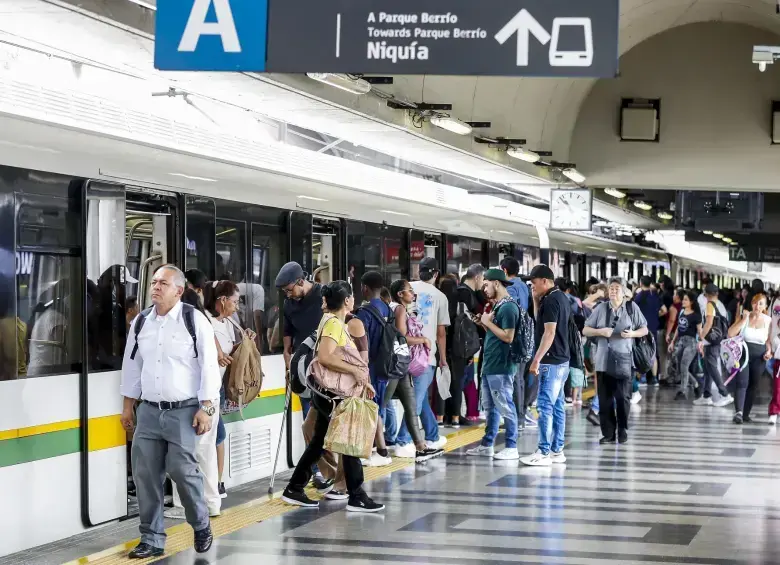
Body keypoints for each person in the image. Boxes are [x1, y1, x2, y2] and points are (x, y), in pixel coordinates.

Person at [120, 265, 220, 558]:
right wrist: (128, 406)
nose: (155, 287)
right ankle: (151, 538)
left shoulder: (194, 320)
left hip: (184, 410)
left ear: (178, 290)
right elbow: (132, 366)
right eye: (154, 282)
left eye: (162, 283)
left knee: (181, 469)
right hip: (149, 412)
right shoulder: (141, 322)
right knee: (145, 474)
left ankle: (200, 523)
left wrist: (206, 408)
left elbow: (209, 366)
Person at [280, 281, 384, 513]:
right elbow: (325, 357)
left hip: (328, 393)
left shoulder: (331, 321)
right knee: (348, 440)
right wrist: (355, 371)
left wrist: (361, 379)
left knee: (319, 442)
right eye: (352, 297)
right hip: (333, 394)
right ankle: (357, 496)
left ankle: (294, 488)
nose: (354, 300)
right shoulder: (335, 324)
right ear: (347, 300)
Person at [275, 262, 330, 490]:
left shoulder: (323, 295)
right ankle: (316, 471)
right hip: (302, 368)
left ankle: (331, 469)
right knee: (309, 421)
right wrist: (287, 358)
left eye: (289, 289)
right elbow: (288, 332)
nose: (288, 295)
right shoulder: (289, 303)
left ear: (300, 281)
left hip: (326, 367)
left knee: (327, 421)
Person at [583, 277, 648, 444]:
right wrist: (600, 332)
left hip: (624, 360)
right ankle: (608, 434)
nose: (613, 291)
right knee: (604, 400)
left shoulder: (631, 308)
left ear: (624, 291)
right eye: (611, 288)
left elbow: (644, 329)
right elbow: (585, 330)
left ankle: (622, 429)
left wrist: (632, 334)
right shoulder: (601, 308)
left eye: (616, 288)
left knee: (622, 398)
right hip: (603, 361)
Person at [385, 279, 444, 462]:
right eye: (409, 291)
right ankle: (395, 444)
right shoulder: (400, 309)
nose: (413, 294)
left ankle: (420, 446)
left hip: (399, 363)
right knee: (384, 405)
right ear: (400, 294)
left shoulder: (393, 308)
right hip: (397, 363)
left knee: (411, 405)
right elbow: (401, 337)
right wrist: (423, 340)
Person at [395, 257, 449, 451]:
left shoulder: (408, 288)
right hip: (425, 356)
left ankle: (433, 435)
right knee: (415, 402)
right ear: (436, 274)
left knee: (421, 396)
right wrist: (443, 359)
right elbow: (441, 333)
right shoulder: (440, 296)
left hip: (403, 353)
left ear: (419, 271)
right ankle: (403, 441)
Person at [466, 269, 520, 459]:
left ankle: (512, 446)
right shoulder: (498, 306)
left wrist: (487, 323)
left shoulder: (508, 307)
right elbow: (496, 333)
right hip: (491, 365)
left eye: (486, 284)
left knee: (505, 406)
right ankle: (487, 444)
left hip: (501, 367)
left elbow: (508, 336)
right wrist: (483, 323)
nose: (484, 289)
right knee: (490, 408)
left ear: (496, 283)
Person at [521, 265, 571, 467]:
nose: (532, 286)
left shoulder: (551, 300)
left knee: (544, 406)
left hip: (550, 362)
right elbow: (538, 321)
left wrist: (536, 360)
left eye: (533, 283)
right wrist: (535, 299)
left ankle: (543, 451)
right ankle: (557, 450)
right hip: (561, 361)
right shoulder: (558, 297)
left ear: (544, 281)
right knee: (557, 406)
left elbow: (549, 333)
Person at [355, 271, 394, 467]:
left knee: (371, 407)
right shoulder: (388, 309)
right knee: (376, 407)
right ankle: (379, 448)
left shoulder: (364, 313)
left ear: (365, 288)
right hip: (385, 365)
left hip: (369, 366)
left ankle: (377, 450)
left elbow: (362, 344)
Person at [445, 263, 485, 426]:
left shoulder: (461, 291)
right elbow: (471, 321)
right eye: (483, 279)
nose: (483, 283)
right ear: (477, 277)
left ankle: (451, 414)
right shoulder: (466, 294)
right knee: (458, 380)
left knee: (458, 379)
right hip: (461, 344)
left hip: (456, 343)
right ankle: (455, 415)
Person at [727, 293, 772, 424]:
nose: (757, 306)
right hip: (743, 354)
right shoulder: (744, 316)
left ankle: (745, 414)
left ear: (765, 306)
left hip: (759, 357)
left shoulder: (768, 320)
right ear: (751, 304)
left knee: (753, 385)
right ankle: (739, 413)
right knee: (742, 382)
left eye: (760, 303)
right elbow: (730, 333)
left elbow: (768, 340)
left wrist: (769, 351)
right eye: (755, 303)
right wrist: (744, 319)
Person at [695, 283, 734, 407]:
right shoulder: (720, 304)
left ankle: (725, 394)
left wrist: (701, 337)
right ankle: (706, 395)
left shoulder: (709, 305)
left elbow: (708, 323)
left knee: (712, 368)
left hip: (710, 341)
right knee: (708, 368)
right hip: (718, 339)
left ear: (705, 294)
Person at [668, 291, 702, 401]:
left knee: (684, 365)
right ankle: (696, 384)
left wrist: (701, 343)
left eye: (686, 300)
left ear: (691, 302)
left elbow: (700, 331)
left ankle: (682, 391)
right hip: (681, 342)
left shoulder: (696, 315)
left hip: (691, 343)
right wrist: (673, 342)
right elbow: (679, 327)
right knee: (681, 367)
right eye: (683, 299)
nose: (683, 301)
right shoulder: (682, 312)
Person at [634, 276, 665, 388]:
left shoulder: (639, 296)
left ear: (640, 283)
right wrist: (655, 315)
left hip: (641, 328)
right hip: (653, 327)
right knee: (652, 352)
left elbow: (633, 311)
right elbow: (664, 310)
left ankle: (642, 378)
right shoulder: (655, 296)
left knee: (641, 352)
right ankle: (654, 378)